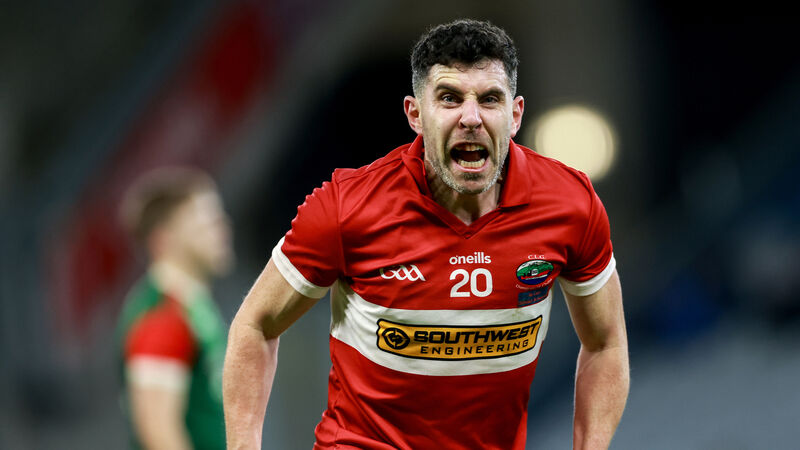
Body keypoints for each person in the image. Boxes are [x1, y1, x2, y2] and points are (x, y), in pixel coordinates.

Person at [224, 19, 629, 449]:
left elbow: (606, 343)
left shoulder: (570, 204)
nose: (470, 118)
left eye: (489, 99)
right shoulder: (346, 208)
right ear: (415, 115)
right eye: (449, 98)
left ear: (515, 116)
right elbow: (256, 325)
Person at [116, 167, 233, 450]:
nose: (222, 230)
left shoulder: (193, 308)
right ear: (163, 239)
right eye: (205, 223)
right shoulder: (163, 317)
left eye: (219, 219)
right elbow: (158, 432)